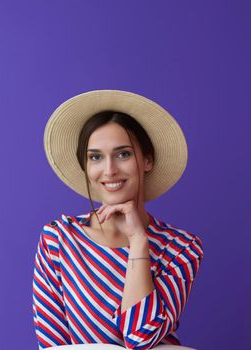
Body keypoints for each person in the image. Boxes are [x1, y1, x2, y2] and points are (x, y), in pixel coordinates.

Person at [32, 90, 204, 350]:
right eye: (95, 157)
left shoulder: (181, 248)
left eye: (123, 154)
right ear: (86, 166)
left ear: (147, 160)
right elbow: (54, 347)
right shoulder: (58, 239)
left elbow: (140, 338)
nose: (109, 169)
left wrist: (138, 242)